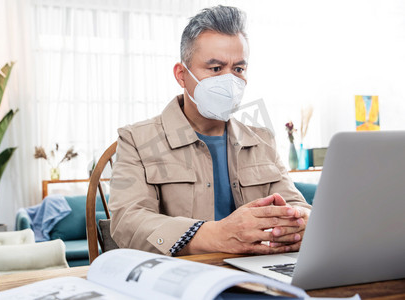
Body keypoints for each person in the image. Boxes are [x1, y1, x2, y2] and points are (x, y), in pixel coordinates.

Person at [109, 5, 311, 256]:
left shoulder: (262, 140)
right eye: (215, 69)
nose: (230, 81)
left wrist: (300, 222)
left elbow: (297, 207)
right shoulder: (136, 140)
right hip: (182, 279)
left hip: (259, 271)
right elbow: (127, 222)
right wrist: (212, 234)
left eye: (238, 69)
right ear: (182, 75)